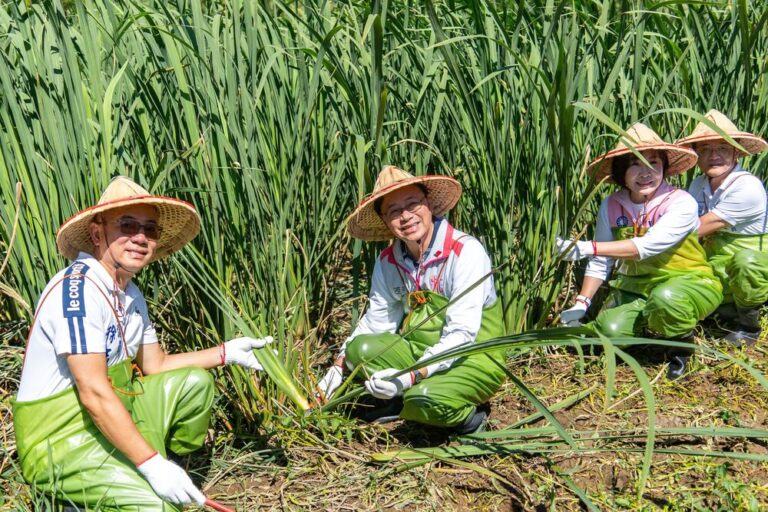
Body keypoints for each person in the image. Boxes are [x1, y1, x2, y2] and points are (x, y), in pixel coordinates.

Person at [13, 177, 272, 511]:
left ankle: (159, 462)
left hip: (116, 411)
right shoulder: (77, 292)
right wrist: (151, 464)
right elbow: (92, 391)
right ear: (97, 233)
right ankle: (79, 493)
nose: (140, 237)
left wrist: (226, 352)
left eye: (150, 229)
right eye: (128, 225)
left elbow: (156, 366)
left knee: (194, 385)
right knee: (158, 506)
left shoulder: (129, 294)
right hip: (63, 439)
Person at [316, 165, 506, 434]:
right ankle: (399, 401)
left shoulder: (465, 252)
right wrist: (337, 368)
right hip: (418, 350)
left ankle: (470, 419)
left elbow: (462, 334)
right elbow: (376, 322)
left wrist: (410, 376)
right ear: (384, 220)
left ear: (428, 204)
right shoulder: (387, 262)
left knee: (426, 398)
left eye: (412, 204)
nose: (405, 216)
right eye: (394, 211)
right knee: (360, 350)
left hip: (473, 355)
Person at [556, 123, 723, 379]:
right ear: (622, 172)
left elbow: (645, 247)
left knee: (666, 298)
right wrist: (582, 301)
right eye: (635, 164)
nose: (645, 173)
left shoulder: (680, 202)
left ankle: (681, 350)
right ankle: (646, 325)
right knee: (610, 333)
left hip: (688, 283)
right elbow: (602, 261)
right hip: (635, 288)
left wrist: (585, 247)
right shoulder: (611, 205)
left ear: (664, 168)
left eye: (653, 163)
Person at [676, 109, 768, 345]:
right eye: (705, 149)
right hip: (716, 260)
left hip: (754, 262)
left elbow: (694, 229)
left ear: (736, 152)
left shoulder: (748, 187)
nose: (713, 155)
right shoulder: (698, 184)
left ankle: (749, 325)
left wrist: (644, 245)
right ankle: (725, 307)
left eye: (722, 148)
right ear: (696, 154)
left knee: (746, 262)